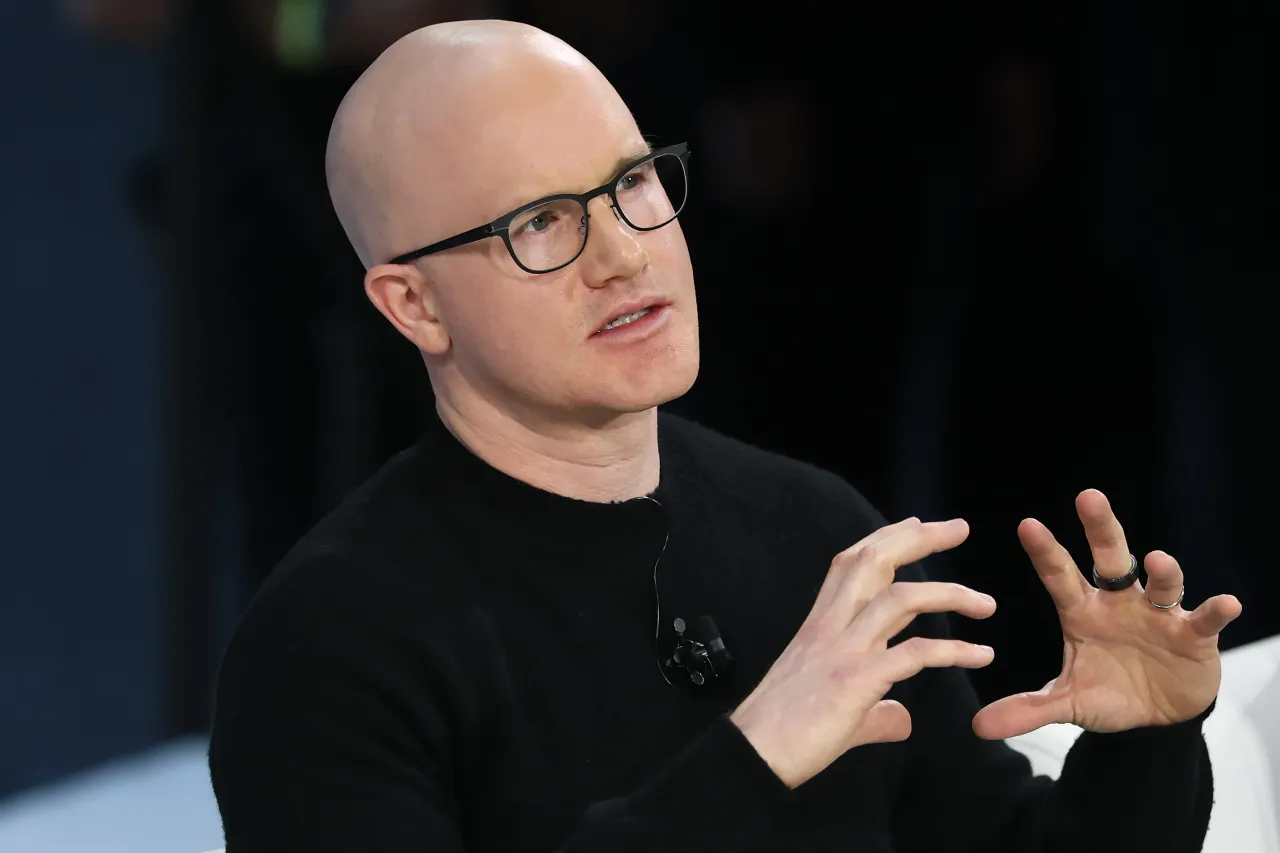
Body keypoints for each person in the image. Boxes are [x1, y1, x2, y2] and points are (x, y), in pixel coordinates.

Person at [207, 19, 1243, 852]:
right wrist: (752, 754)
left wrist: (1143, 742)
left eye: (632, 184)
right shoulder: (327, 643)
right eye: (538, 224)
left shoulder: (810, 528)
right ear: (412, 306)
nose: (621, 254)